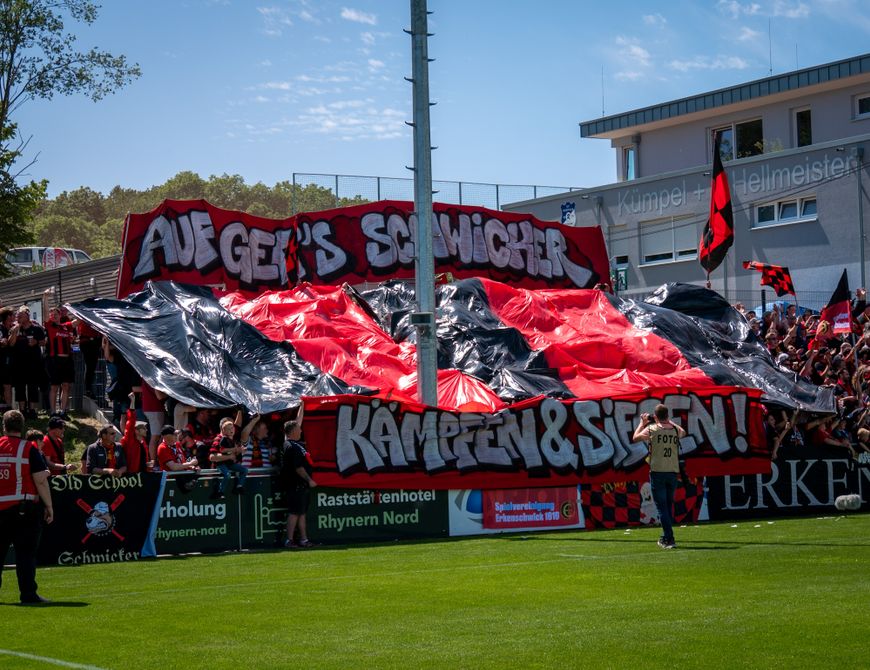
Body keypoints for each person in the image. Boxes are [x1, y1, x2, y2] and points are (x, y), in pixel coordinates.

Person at [0, 409, 54, 604]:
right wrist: (49, 506)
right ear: (21, 427)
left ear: (4, 426)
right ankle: (28, 594)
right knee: (25, 554)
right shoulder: (28, 449)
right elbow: (40, 480)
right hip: (24, 509)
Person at [632, 404, 686, 549]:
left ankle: (669, 538)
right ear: (667, 416)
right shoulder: (674, 429)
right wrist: (669, 421)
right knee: (667, 506)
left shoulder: (652, 429)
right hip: (672, 472)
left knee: (662, 507)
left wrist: (642, 423)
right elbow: (683, 432)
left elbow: (635, 437)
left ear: (655, 417)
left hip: (658, 472)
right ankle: (665, 536)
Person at [280, 416, 317, 549]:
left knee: (301, 513)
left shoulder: (295, 444)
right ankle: (289, 540)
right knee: (294, 513)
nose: (301, 431)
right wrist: (309, 479)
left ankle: (304, 539)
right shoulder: (290, 446)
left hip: (301, 486)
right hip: (295, 485)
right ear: (292, 431)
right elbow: (298, 467)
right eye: (298, 429)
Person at [10, 306, 46, 419]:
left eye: (20, 315)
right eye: (17, 315)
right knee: (20, 387)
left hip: (33, 363)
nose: (18, 317)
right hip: (19, 363)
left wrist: (36, 342)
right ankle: (22, 410)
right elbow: (11, 343)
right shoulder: (15, 328)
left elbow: (44, 342)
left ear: (27, 316)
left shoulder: (36, 328)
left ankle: (32, 410)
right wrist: (16, 330)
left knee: (33, 387)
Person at [44, 307, 76, 418]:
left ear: (60, 315)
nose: (54, 316)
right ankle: (53, 412)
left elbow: (78, 321)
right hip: (55, 360)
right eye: (51, 314)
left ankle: (63, 412)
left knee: (66, 386)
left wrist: (85, 309)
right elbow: (44, 314)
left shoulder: (66, 326)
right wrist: (46, 297)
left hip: (67, 360)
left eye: (56, 314)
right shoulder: (49, 325)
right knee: (54, 387)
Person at [209, 416, 247, 499]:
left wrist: (239, 450)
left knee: (244, 470)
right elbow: (212, 457)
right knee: (227, 475)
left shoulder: (232, 439)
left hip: (231, 468)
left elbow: (233, 453)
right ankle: (220, 492)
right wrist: (229, 456)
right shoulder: (218, 439)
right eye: (229, 427)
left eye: (232, 427)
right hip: (220, 469)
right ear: (223, 428)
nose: (232, 429)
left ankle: (239, 486)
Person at [121, 393, 150, 474]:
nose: (146, 430)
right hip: (131, 477)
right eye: (143, 428)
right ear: (136, 431)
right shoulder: (130, 439)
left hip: (143, 475)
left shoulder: (143, 442)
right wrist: (133, 401)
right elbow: (131, 420)